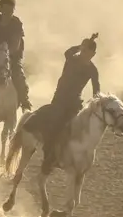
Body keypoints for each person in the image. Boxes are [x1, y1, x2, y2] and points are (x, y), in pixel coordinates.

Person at [26, 34, 100, 175]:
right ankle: (49, 157)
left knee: (81, 128)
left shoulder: (92, 70)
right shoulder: (72, 59)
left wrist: (95, 104)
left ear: (93, 54)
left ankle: (76, 157)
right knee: (56, 125)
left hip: (75, 102)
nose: (84, 54)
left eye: (87, 52)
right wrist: (83, 43)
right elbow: (68, 52)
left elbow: (96, 89)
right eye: (83, 50)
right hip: (60, 99)